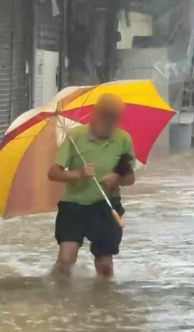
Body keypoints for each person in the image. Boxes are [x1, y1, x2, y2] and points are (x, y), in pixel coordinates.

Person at [48, 93, 135, 278]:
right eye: (106, 115)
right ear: (96, 114)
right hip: (73, 206)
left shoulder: (123, 140)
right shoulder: (75, 137)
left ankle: (103, 303)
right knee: (65, 260)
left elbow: (129, 177)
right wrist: (78, 174)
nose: (110, 121)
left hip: (106, 207)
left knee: (105, 267)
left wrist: (116, 178)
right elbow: (53, 173)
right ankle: (56, 295)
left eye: (114, 117)